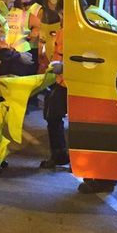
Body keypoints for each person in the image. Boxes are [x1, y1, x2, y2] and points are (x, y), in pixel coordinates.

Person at [39, 21, 69, 169]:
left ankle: (73, 159)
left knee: (75, 123)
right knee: (52, 116)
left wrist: (63, 67)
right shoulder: (64, 30)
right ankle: (59, 155)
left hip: (74, 83)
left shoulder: (75, 29)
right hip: (62, 81)